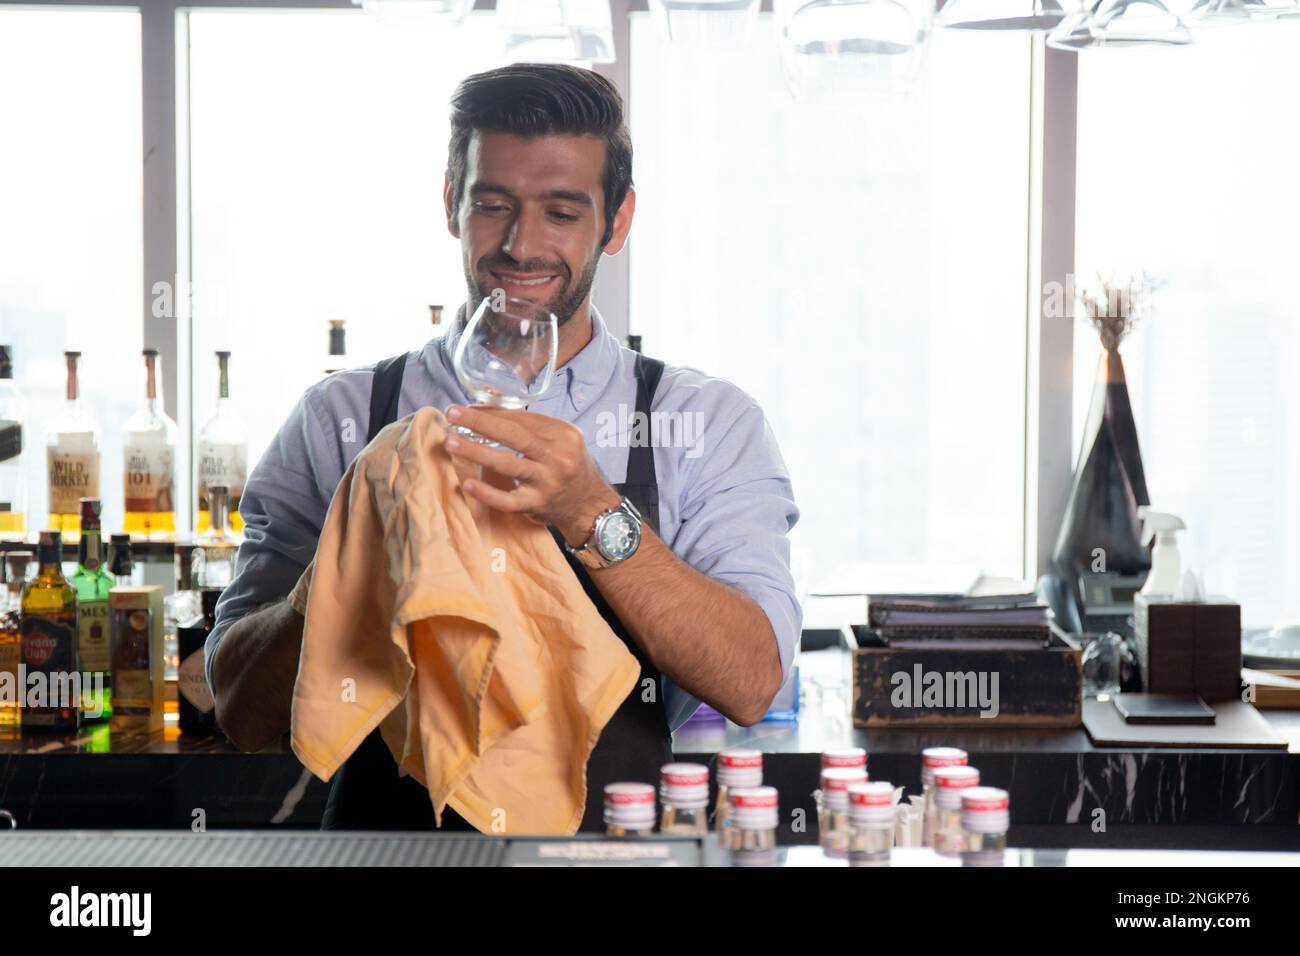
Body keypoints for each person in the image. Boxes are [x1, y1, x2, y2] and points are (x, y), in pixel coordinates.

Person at [205, 63, 801, 831]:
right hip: (389, 854)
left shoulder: (704, 423)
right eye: (494, 205)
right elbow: (240, 709)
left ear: (616, 222)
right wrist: (348, 564)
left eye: (561, 212)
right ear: (452, 201)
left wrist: (591, 510)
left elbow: (751, 681)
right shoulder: (343, 419)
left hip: (608, 854)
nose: (522, 245)